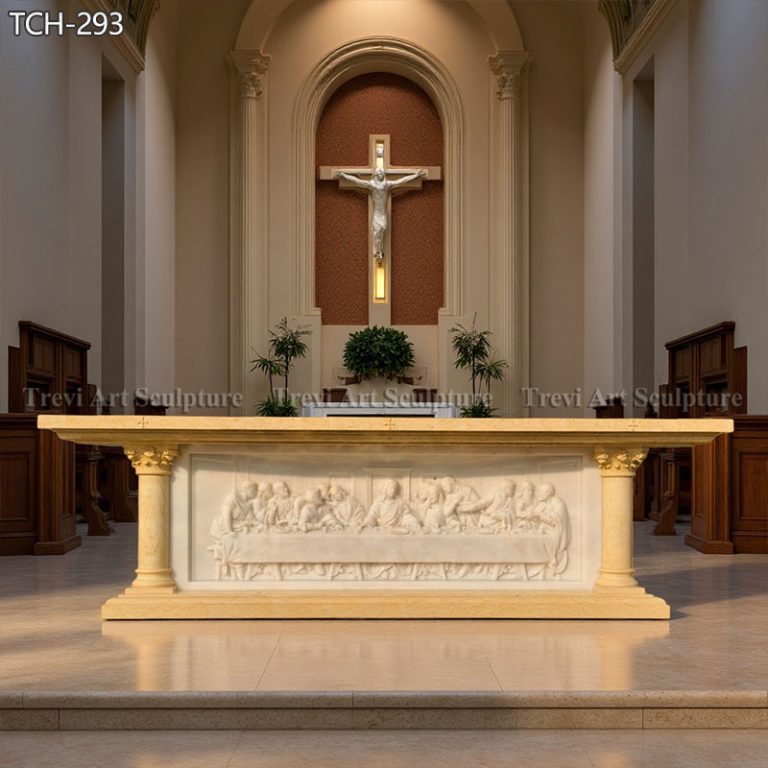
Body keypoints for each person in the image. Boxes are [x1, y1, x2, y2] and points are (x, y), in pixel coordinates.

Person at [336, 167, 427, 257]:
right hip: (376, 214)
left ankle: (380, 251)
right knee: (376, 234)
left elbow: (402, 181)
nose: (381, 174)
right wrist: (344, 175)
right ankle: (376, 252)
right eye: (379, 173)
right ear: (376, 174)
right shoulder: (372, 185)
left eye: (382, 173)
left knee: (382, 231)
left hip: (383, 214)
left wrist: (416, 175)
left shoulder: (387, 185)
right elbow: (356, 181)